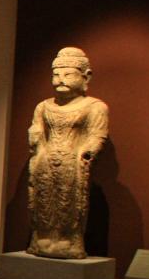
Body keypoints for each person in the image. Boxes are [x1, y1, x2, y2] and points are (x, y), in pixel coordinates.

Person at [26, 47, 109, 259]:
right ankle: (42, 238)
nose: (60, 79)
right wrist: (35, 136)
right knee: (43, 201)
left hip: (73, 162)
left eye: (68, 74)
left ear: (86, 76)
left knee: (69, 201)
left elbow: (97, 135)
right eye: (56, 74)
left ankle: (69, 241)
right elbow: (36, 128)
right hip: (45, 160)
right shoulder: (43, 107)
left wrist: (88, 151)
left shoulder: (94, 107)